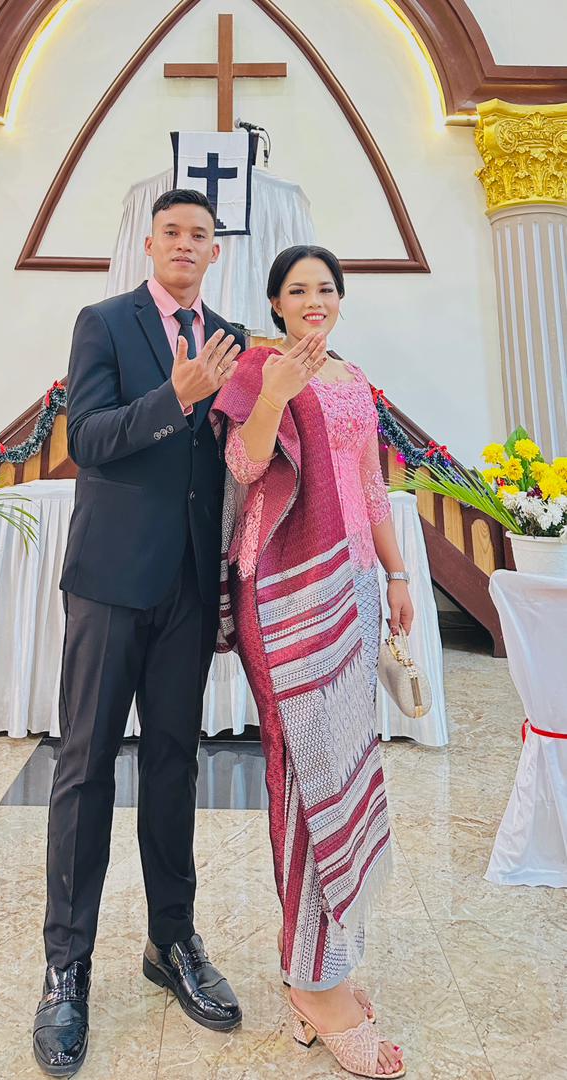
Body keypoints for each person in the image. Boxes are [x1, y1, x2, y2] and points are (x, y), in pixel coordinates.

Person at [33, 189, 245, 1077]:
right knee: (84, 765)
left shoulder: (230, 337)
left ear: (214, 252)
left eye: (200, 235)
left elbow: (235, 459)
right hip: (112, 582)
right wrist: (173, 396)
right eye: (172, 232)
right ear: (150, 243)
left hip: (189, 586)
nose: (186, 244)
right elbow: (87, 437)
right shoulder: (105, 322)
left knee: (172, 765)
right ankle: (66, 967)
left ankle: (172, 940)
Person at [212, 245, 413, 1078]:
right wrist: (275, 396)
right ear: (275, 303)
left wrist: (397, 576)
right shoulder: (261, 370)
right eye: (297, 290)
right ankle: (316, 986)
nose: (314, 300)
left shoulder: (355, 379)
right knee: (303, 767)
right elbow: (244, 466)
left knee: (344, 764)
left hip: (353, 583)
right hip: (285, 587)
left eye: (326, 288)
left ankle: (317, 961)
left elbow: (369, 487)